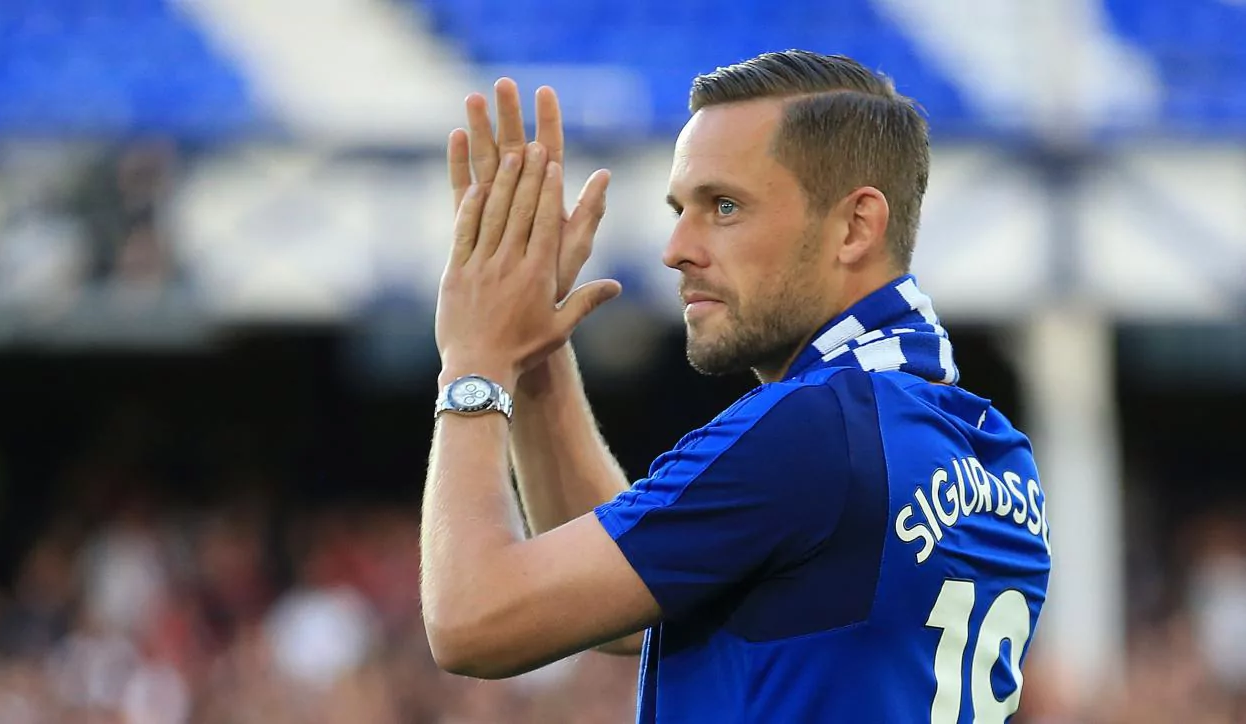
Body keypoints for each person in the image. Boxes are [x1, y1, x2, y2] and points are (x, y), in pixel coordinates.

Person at [422, 50, 1052, 723]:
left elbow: (473, 620)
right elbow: (622, 598)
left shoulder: (816, 429)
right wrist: (535, 350)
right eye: (680, 209)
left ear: (855, 226)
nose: (677, 248)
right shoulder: (992, 451)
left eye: (724, 206)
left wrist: (475, 360)